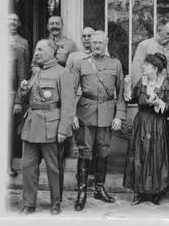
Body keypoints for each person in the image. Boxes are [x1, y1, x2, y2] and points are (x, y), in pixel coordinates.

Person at [13, 39, 76, 215]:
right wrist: (23, 90)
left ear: (52, 51)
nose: (36, 52)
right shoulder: (36, 72)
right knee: (28, 167)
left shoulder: (62, 73)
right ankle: (29, 203)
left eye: (40, 49)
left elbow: (68, 106)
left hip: (51, 127)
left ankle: (56, 202)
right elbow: (28, 99)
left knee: (53, 168)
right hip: (32, 126)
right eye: (36, 49)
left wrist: (63, 130)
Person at [70, 31, 126, 211]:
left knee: (102, 153)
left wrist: (119, 115)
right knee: (85, 153)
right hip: (86, 113)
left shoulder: (115, 64)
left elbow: (121, 93)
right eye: (93, 42)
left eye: (100, 42)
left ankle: (99, 189)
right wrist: (71, 114)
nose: (96, 45)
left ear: (106, 43)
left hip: (107, 115)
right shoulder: (80, 64)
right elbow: (70, 91)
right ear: (89, 44)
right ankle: (82, 192)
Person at [123, 52, 169, 205]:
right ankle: (138, 191)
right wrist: (127, 85)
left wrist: (159, 102)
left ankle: (156, 191)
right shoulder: (142, 81)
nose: (143, 67)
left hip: (157, 123)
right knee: (139, 154)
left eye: (147, 66)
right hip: (142, 122)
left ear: (156, 68)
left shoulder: (164, 83)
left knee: (156, 155)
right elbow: (131, 98)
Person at [8, 13, 29, 177]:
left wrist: (18, 101)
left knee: (8, 131)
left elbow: (22, 78)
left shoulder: (20, 47)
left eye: (15, 19)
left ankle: (7, 164)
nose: (11, 23)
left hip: (10, 94)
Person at [130, 21, 169, 86]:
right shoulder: (144, 45)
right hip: (150, 89)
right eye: (168, 33)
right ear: (159, 31)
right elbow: (136, 72)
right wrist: (138, 92)